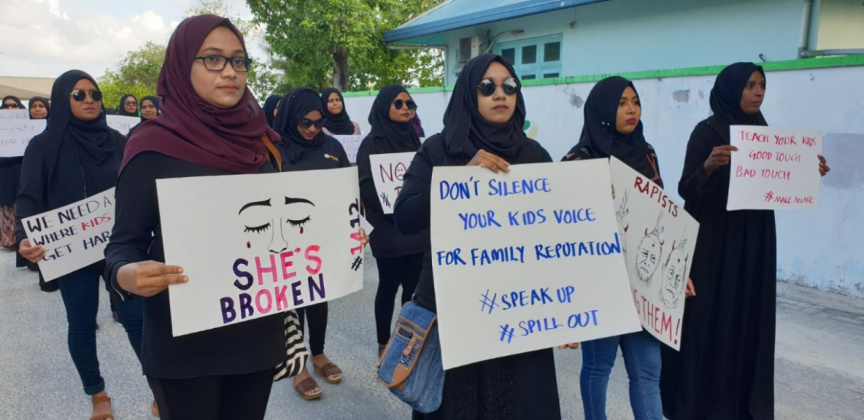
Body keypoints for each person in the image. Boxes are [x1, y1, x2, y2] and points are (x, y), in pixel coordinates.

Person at [104, 15, 288, 419]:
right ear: (181, 65)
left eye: (239, 61)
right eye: (213, 59)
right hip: (184, 344)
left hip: (256, 335)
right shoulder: (152, 144)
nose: (230, 71)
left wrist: (334, 237)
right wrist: (126, 275)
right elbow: (123, 245)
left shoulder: (260, 141)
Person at [394, 53, 562, 419]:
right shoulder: (439, 150)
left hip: (522, 314)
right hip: (455, 314)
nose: (500, 94)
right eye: (487, 87)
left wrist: (568, 310)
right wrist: (459, 180)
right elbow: (405, 216)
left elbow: (557, 238)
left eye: (510, 86)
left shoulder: (534, 155)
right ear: (468, 95)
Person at [660, 62, 830, 420]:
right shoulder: (707, 132)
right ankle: (699, 405)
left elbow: (780, 181)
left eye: (762, 85)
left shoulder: (763, 134)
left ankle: (742, 406)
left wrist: (808, 171)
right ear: (731, 89)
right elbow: (686, 188)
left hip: (755, 242)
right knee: (708, 320)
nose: (758, 92)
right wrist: (708, 166)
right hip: (714, 243)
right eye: (750, 85)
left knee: (747, 316)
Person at [15, 70, 145, 420]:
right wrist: (24, 237)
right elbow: (28, 197)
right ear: (62, 100)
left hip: (120, 249)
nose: (89, 100)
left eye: (95, 94)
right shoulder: (43, 146)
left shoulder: (118, 141)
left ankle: (158, 384)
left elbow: (137, 188)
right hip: (72, 254)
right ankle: (96, 392)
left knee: (137, 319)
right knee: (82, 323)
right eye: (79, 95)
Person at [562, 76, 694, 420]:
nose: (631, 109)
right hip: (601, 282)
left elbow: (661, 213)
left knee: (648, 371)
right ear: (603, 109)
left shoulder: (647, 154)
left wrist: (676, 269)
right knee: (598, 367)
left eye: (635, 101)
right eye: (621, 103)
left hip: (643, 282)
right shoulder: (579, 160)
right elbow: (564, 229)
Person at [272, 87, 351, 400]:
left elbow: (348, 189)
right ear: (291, 119)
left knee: (318, 297)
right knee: (292, 301)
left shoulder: (332, 146)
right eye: (305, 122)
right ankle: (299, 365)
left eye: (319, 122)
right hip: (286, 240)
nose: (313, 129)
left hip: (322, 239)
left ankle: (318, 353)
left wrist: (356, 228)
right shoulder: (273, 150)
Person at [357, 85, 427, 357]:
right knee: (388, 286)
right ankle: (383, 343)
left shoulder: (416, 140)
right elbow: (367, 187)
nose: (406, 108)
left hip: (416, 230)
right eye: (398, 103)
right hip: (388, 231)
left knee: (412, 289)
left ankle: (407, 338)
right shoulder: (370, 144)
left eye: (410, 104)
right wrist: (397, 208)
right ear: (383, 106)